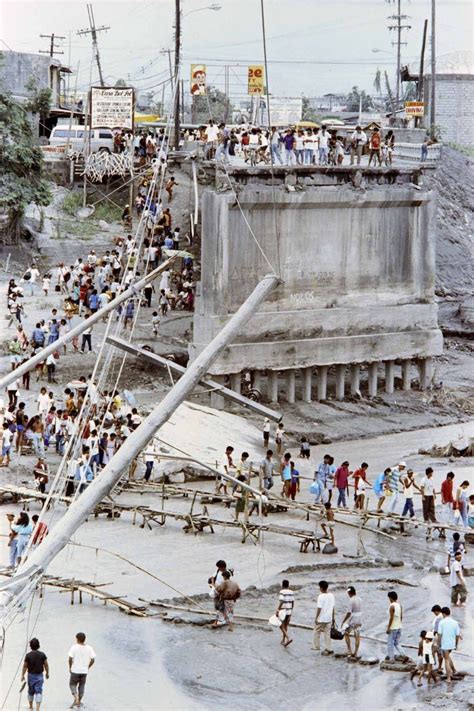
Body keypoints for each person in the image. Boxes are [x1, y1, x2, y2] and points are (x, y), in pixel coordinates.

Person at [68, 632, 96, 708]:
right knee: (82, 686)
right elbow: (93, 659)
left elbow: (70, 658)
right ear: (84, 639)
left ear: (77, 639)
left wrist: (70, 667)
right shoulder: (89, 648)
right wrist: (88, 667)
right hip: (84, 671)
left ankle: (76, 698)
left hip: (75, 670)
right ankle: (78, 702)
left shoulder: (74, 647)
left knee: (72, 684)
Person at [21, 637, 49, 711]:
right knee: (39, 691)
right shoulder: (42, 654)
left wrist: (22, 675)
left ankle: (30, 706)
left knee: (30, 691)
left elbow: (25, 666)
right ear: (38, 645)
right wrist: (47, 673)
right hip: (40, 675)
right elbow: (46, 665)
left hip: (31, 676)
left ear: (30, 646)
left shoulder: (28, 655)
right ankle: (38, 708)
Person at [436, 607, 460, 682]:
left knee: (446, 660)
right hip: (452, 644)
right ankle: (454, 670)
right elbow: (457, 635)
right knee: (447, 657)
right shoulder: (455, 622)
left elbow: (439, 634)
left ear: (443, 613)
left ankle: (449, 678)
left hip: (445, 644)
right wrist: (456, 645)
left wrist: (438, 644)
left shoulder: (442, 622)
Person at [313, 580, 335, 655]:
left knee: (316, 631)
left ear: (321, 588)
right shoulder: (331, 595)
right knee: (327, 634)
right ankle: (328, 648)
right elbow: (333, 607)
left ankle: (317, 646)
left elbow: (319, 608)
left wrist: (316, 617)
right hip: (329, 618)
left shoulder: (320, 596)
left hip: (321, 618)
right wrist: (333, 617)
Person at [386, 591, 407, 662]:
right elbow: (401, 617)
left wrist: (388, 627)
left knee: (390, 643)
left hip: (393, 627)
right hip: (399, 626)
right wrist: (399, 625)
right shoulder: (399, 605)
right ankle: (403, 654)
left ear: (391, 598)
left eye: (389, 598)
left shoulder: (392, 606)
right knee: (396, 642)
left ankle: (391, 659)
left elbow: (391, 618)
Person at [341, 586, 362, 658]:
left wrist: (343, 621)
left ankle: (349, 650)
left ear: (349, 593)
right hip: (359, 618)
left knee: (346, 633)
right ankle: (355, 652)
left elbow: (349, 613)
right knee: (357, 636)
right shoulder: (359, 599)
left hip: (353, 619)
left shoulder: (351, 600)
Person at [276, 579, 294, 647]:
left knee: (281, 626)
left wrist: (278, 609)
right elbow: (292, 602)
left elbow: (281, 601)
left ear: (282, 585)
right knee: (286, 626)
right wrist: (291, 610)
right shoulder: (291, 592)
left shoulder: (282, 591)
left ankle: (287, 638)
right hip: (289, 611)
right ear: (288, 585)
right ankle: (283, 640)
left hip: (283, 611)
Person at [420, 467, 437, 539]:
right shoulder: (423, 480)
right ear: (429, 473)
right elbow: (421, 488)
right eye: (431, 473)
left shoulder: (432, 479)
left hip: (431, 495)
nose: (432, 474)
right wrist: (423, 496)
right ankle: (426, 519)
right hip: (426, 495)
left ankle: (433, 519)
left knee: (432, 507)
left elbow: (433, 487)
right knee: (425, 508)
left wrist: (434, 494)